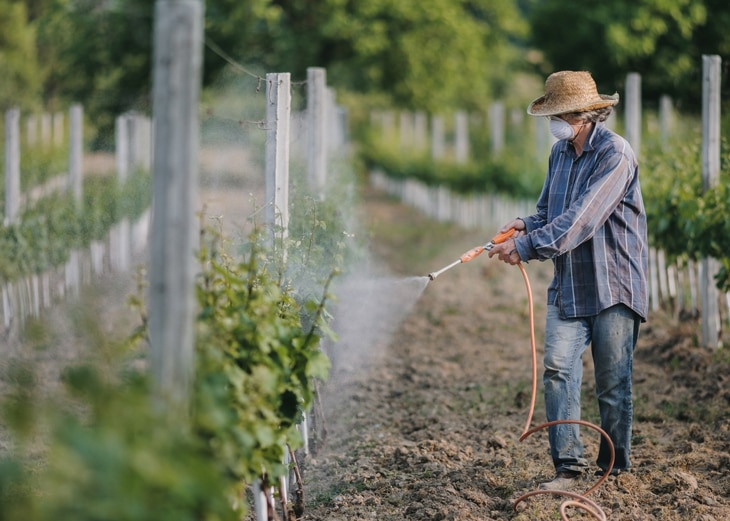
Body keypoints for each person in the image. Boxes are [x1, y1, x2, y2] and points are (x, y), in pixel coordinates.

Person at [488, 70, 649, 491]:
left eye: (557, 115)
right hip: (570, 285)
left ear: (584, 114)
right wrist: (524, 225)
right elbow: (549, 212)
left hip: (613, 287)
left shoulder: (615, 154)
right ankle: (569, 469)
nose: (552, 124)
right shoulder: (560, 154)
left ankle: (616, 471)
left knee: (613, 384)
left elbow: (580, 222)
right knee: (558, 368)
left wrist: (524, 248)